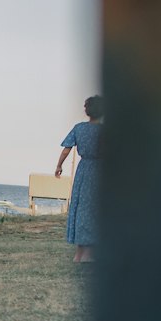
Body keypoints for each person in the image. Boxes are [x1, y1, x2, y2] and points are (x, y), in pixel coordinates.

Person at [55, 95, 103, 263]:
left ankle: (78, 254)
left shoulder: (79, 128)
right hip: (99, 170)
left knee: (80, 208)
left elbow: (66, 149)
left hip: (82, 171)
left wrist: (59, 166)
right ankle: (88, 254)